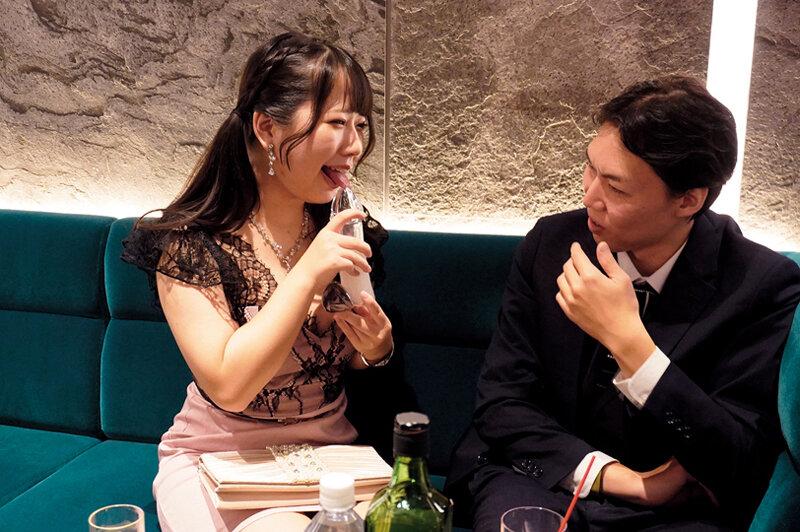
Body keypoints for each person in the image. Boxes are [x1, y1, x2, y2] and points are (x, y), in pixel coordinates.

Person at [446, 76, 800, 531]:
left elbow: (736, 458)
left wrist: (632, 345)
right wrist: (627, 481)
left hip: (672, 513)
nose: (589, 196)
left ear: (688, 201)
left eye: (616, 188)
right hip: (541, 476)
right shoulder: (552, 244)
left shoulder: (760, 286)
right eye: (590, 168)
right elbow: (502, 401)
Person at [122, 32, 397, 531]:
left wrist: (375, 349)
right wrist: (308, 272)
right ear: (267, 127)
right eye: (337, 123)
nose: (356, 146)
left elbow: (349, 357)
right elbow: (229, 387)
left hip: (330, 460)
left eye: (361, 124)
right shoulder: (189, 247)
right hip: (220, 461)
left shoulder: (346, 231)